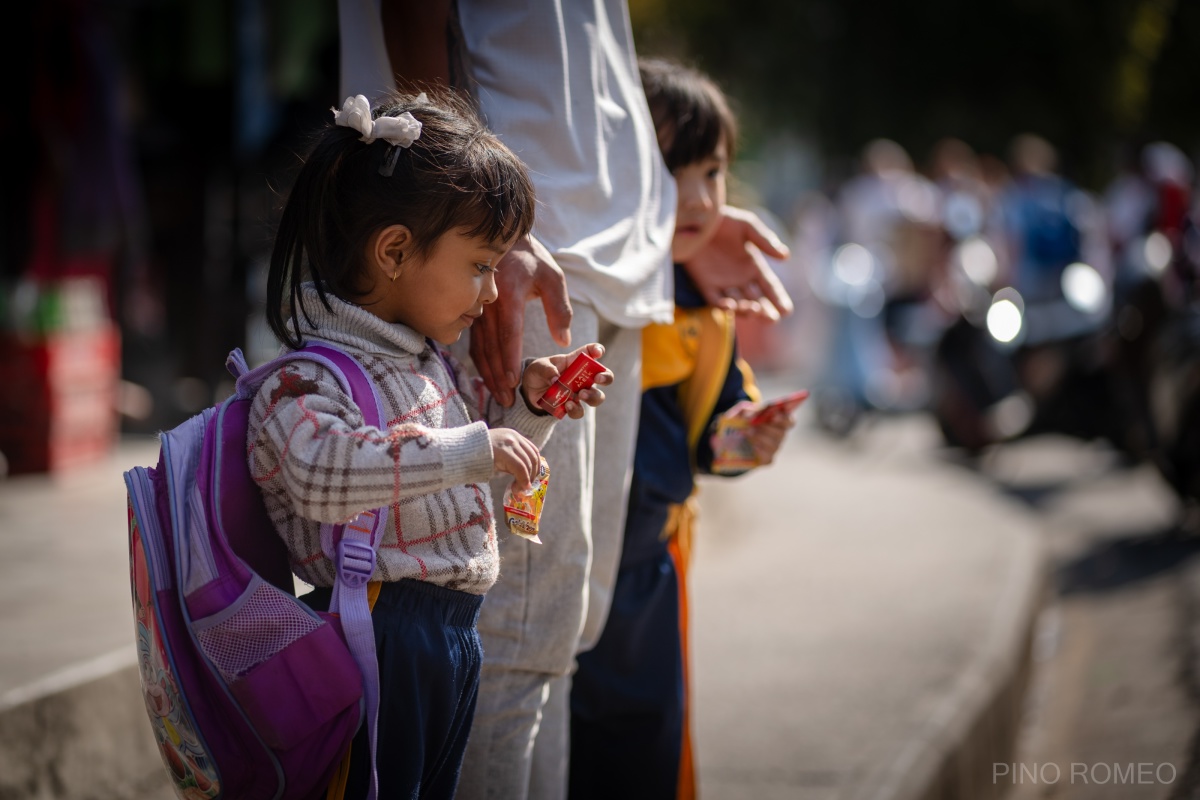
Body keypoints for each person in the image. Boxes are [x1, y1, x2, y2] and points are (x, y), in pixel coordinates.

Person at [336, 3, 796, 796]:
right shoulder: (490, 253)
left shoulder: (692, 306)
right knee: (513, 638)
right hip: (532, 259)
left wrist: (665, 220)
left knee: (560, 636)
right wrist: (489, 226)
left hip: (606, 265)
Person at [246, 89, 612, 799]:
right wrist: (478, 446)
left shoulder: (421, 363)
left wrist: (530, 411)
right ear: (393, 251)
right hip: (379, 637)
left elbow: (469, 469)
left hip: (449, 636)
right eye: (480, 266)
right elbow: (325, 473)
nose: (488, 294)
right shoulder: (305, 378)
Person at [567, 57, 796, 800]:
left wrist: (748, 439)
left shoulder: (708, 307)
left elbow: (709, 443)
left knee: (643, 748)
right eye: (670, 172)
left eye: (712, 173)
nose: (696, 199)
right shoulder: (578, 295)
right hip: (565, 566)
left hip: (650, 573)